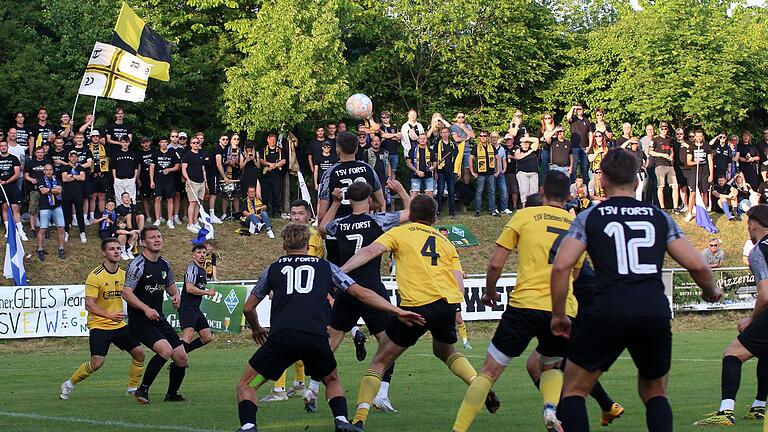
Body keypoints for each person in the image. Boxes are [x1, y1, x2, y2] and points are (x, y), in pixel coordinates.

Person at [550, 149, 720, 432]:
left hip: (609, 309)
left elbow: (560, 267)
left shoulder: (590, 217)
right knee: (654, 393)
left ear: (601, 179)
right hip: (652, 310)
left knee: (574, 389)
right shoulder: (658, 217)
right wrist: (710, 290)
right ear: (637, 179)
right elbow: (699, 267)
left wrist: (558, 314)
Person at [235, 223, 424, 432]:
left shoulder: (272, 269)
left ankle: (249, 426)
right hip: (315, 338)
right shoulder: (327, 267)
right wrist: (397, 311)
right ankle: (342, 420)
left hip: (282, 338)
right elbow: (361, 293)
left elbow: (248, 307)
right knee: (332, 380)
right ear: (308, 244)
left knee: (247, 384)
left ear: (284, 245)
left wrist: (256, 328)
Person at [341, 194, 500, 430]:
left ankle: (359, 420)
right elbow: (459, 282)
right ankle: (478, 384)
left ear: (410, 215)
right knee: (445, 351)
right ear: (435, 218)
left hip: (416, 305)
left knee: (380, 361)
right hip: (446, 305)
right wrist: (455, 307)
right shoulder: (446, 242)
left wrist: (340, 271)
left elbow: (369, 252)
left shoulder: (400, 232)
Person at [452, 171, 582, 432]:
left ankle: (459, 429)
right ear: (569, 196)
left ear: (542, 191)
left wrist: (490, 292)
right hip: (562, 308)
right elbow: (575, 273)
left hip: (525, 305)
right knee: (552, 365)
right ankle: (549, 410)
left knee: (489, 372)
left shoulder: (524, 216)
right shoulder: (576, 224)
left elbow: (495, 264)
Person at [317, 180, 411, 414]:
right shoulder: (379, 220)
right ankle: (381, 395)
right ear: (369, 199)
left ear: (350, 200)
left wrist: (336, 202)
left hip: (346, 289)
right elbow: (411, 213)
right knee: (389, 345)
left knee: (330, 342)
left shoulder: (340, 223)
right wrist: (400, 191)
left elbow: (322, 226)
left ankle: (311, 389)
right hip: (371, 290)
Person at [695, 205, 768, 425]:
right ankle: (758, 407)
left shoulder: (759, 251)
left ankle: (726, 412)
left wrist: (751, 319)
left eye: (748, 224)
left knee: (733, 354)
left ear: (753, 224)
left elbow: (765, 296)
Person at [59, 237, 145, 400]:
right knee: (97, 362)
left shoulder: (124, 275)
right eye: (112, 249)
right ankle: (69, 384)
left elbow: (132, 295)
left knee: (139, 353)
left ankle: (132, 389)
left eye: (118, 249)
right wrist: (109, 315)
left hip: (119, 325)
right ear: (104, 253)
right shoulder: (95, 276)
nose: (116, 252)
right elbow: (89, 305)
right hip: (99, 325)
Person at [123, 226, 188, 404]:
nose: (157, 240)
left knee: (181, 357)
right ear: (143, 242)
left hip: (157, 318)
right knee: (165, 350)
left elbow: (170, 285)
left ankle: (172, 395)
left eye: (159, 236)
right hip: (140, 320)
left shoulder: (165, 264)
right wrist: (145, 308)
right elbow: (127, 293)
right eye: (152, 238)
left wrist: (176, 296)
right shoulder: (137, 265)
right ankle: (142, 390)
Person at [317, 131, 384, 265]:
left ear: (337, 149)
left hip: (338, 230)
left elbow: (322, 214)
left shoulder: (330, 173)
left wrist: (323, 232)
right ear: (357, 147)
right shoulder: (368, 169)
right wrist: (361, 206)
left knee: (338, 275)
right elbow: (380, 202)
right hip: (363, 227)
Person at [180, 244, 216, 356]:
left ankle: (179, 355)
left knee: (207, 337)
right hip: (187, 307)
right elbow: (189, 288)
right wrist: (207, 292)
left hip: (195, 308)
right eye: (199, 252)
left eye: (204, 253)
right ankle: (177, 359)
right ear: (193, 255)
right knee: (188, 336)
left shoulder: (202, 270)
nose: (202, 255)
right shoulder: (192, 268)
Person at [36, 163, 66, 260]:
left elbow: (59, 191)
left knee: (61, 227)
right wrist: (53, 189)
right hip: (45, 207)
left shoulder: (57, 179)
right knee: (43, 228)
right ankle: (40, 249)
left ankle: (61, 248)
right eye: (47, 170)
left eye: (50, 170)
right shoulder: (40, 180)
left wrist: (48, 189)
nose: (49, 171)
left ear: (52, 171)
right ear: (44, 171)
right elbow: (43, 191)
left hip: (57, 206)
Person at [683, 130, 714, 222]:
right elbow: (688, 162)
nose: (699, 138)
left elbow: (710, 161)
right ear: (695, 137)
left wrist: (711, 174)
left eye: (701, 136)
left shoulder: (706, 146)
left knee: (704, 193)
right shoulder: (691, 147)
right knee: (693, 193)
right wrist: (695, 162)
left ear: (703, 136)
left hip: (704, 172)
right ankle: (689, 213)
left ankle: (704, 214)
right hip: (694, 172)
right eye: (697, 136)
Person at [0, 140, 28, 241]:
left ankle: (20, 230)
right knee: (4, 207)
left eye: (5, 146)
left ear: (7, 147)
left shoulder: (14, 158)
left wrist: (6, 182)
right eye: (1, 146)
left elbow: (17, 174)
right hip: (1, 187)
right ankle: (9, 230)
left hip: (11, 185)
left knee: (15, 207)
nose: (3, 147)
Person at [649, 121, 680, 211]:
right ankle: (662, 207)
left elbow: (672, 151)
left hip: (669, 165)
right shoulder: (655, 140)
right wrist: (662, 155)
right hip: (659, 165)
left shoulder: (669, 140)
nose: (664, 130)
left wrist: (671, 156)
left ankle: (675, 207)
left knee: (675, 185)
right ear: (659, 129)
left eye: (665, 128)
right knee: (661, 186)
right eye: (662, 128)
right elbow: (650, 152)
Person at [150, 136, 179, 229]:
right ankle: (158, 219)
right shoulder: (155, 153)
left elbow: (177, 166)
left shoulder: (172, 153)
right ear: (159, 143)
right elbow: (151, 167)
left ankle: (170, 220)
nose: (163, 143)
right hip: (158, 180)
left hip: (169, 180)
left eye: (165, 142)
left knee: (170, 199)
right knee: (157, 199)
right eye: (161, 142)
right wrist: (151, 180)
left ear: (167, 143)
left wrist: (169, 169)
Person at [182, 136, 208, 233]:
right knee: (192, 203)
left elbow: (203, 169)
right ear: (190, 144)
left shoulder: (201, 154)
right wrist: (187, 179)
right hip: (192, 182)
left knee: (199, 202)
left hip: (201, 181)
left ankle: (195, 221)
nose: (196, 144)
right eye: (193, 143)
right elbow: (183, 169)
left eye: (197, 142)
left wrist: (205, 181)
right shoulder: (187, 155)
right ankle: (190, 223)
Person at [469, 131, 499, 216]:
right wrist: (472, 172)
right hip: (480, 174)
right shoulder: (476, 147)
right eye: (481, 136)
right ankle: (477, 210)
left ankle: (492, 210)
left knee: (492, 192)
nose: (483, 137)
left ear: (488, 137)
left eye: (485, 136)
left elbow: (497, 158)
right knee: (479, 192)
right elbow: (470, 159)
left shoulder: (492, 147)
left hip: (491, 173)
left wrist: (498, 171)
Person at [61, 150, 87, 243]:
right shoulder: (65, 167)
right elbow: (64, 179)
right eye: (72, 156)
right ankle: (66, 231)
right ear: (69, 158)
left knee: (80, 213)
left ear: (77, 158)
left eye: (75, 156)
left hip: (78, 193)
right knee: (67, 213)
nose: (73, 158)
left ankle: (82, 232)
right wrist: (76, 176)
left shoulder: (81, 167)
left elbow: (82, 178)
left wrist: (71, 175)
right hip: (67, 193)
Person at [259, 133, 286, 218]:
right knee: (265, 194)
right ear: (267, 140)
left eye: (274, 140)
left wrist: (275, 166)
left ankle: (276, 212)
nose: (272, 141)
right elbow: (260, 160)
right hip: (266, 177)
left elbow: (284, 161)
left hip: (277, 176)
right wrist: (269, 164)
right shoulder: (263, 150)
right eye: (271, 139)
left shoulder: (280, 150)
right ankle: (265, 212)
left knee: (276, 194)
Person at [88, 130, 111, 225]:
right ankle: (92, 216)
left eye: (97, 136)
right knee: (93, 196)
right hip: (92, 175)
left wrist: (104, 172)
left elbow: (108, 160)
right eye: (93, 136)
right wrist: (91, 172)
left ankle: (102, 216)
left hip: (102, 175)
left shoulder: (104, 147)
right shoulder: (88, 148)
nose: (95, 138)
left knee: (102, 196)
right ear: (91, 138)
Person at [435, 127, 459, 217]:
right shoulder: (437, 145)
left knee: (452, 192)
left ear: (449, 134)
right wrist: (435, 172)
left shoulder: (453, 145)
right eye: (443, 132)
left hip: (451, 171)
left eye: (446, 132)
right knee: (440, 192)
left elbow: (457, 159)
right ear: (441, 134)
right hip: (441, 171)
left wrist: (457, 171)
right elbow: (434, 159)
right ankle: (438, 212)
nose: (445, 134)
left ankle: (452, 212)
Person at [364, 135, 391, 212]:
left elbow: (388, 164)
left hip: (382, 179)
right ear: (371, 143)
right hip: (371, 179)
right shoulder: (367, 152)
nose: (376, 143)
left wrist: (389, 177)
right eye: (374, 141)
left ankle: (383, 215)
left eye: (378, 141)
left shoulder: (385, 152)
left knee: (383, 198)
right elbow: (365, 166)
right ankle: (372, 216)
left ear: (380, 142)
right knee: (371, 198)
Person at [566, 103, 593, 183]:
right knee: (573, 168)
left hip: (585, 148)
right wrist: (573, 107)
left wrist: (590, 146)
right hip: (575, 147)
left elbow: (591, 133)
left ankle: (584, 188)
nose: (579, 110)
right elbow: (568, 118)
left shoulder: (586, 121)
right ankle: (572, 187)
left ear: (583, 110)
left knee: (584, 169)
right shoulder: (573, 119)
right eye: (577, 109)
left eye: (580, 109)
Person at [112, 136, 139, 203]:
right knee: (119, 199)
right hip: (119, 180)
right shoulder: (116, 154)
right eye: (123, 142)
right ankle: (120, 213)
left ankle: (132, 213)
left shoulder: (133, 154)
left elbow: (136, 168)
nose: (125, 144)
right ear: (120, 143)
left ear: (129, 143)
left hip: (130, 179)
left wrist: (134, 179)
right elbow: (113, 168)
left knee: (132, 199)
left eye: (126, 142)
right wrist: (115, 179)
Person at [514, 136, 540, 207]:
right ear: (521, 144)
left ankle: (533, 208)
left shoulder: (533, 148)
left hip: (533, 173)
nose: (525, 144)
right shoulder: (518, 150)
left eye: (527, 143)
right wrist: (529, 152)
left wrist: (526, 138)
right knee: (524, 191)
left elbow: (536, 140)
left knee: (534, 192)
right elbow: (518, 157)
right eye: (524, 143)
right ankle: (524, 208)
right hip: (523, 173)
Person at [491, 132, 512, 215]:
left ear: (498, 138)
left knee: (504, 190)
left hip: (500, 172)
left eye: (496, 137)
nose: (494, 138)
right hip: (491, 172)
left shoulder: (502, 149)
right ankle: (494, 208)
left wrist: (504, 169)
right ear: (490, 138)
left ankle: (504, 208)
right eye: (492, 137)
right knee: (492, 191)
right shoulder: (488, 147)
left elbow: (504, 160)